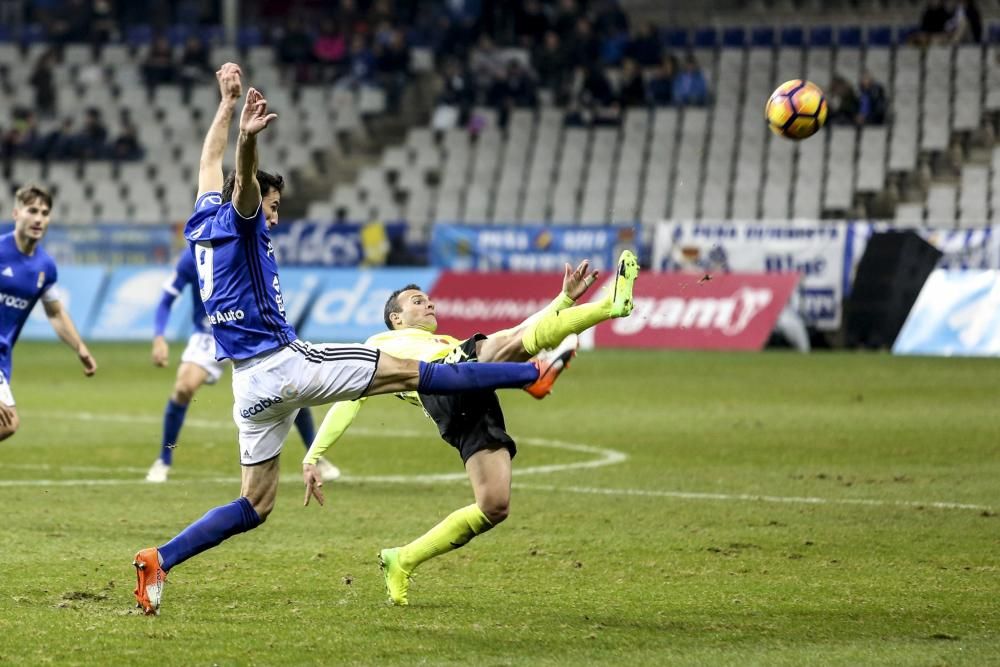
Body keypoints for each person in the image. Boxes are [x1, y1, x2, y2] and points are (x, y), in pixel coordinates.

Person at [132, 63, 574, 616]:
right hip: (286, 362)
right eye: (273, 207)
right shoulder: (242, 220)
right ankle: (531, 374)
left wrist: (224, 104)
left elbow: (207, 165)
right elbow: (240, 179)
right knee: (413, 370)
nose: (273, 216)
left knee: (255, 502)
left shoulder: (202, 220)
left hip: (249, 388)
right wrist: (246, 138)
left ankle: (160, 559)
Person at [301, 253, 639, 606]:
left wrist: (564, 299)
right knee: (491, 346)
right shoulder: (379, 345)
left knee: (494, 505)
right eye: (418, 301)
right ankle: (607, 311)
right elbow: (350, 399)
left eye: (429, 300)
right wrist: (315, 454)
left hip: (471, 397)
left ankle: (402, 559)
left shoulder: (446, 341)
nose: (429, 304)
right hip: (441, 387)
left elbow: (517, 334)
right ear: (395, 319)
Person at [145, 248, 340, 484]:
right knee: (183, 388)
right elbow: (167, 298)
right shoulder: (195, 254)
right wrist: (158, 337)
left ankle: (315, 455)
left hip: (252, 330)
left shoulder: (245, 245)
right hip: (212, 332)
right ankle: (164, 460)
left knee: (289, 388)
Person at [0, 184, 97, 441]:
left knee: (6, 424)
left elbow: (54, 313)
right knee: (7, 423)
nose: (39, 218)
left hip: (3, 357)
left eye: (44, 213)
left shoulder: (45, 267)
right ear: (16, 214)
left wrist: (79, 347)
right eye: (32, 210)